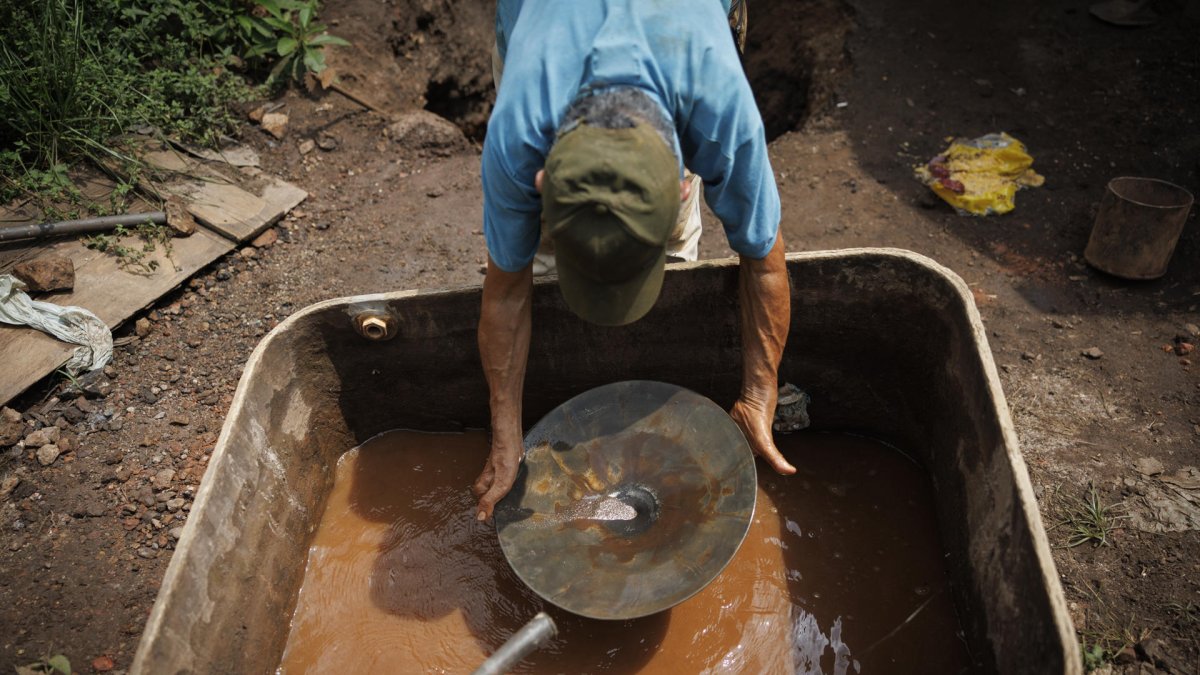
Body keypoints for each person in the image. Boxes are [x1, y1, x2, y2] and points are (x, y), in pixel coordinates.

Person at [473, 0, 794, 522]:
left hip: (680, 33)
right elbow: (507, 288)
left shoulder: (718, 107)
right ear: (542, 180)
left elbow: (763, 258)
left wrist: (760, 394)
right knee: (539, 257)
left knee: (674, 244)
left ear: (682, 179)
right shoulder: (518, 131)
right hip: (542, 25)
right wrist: (506, 434)